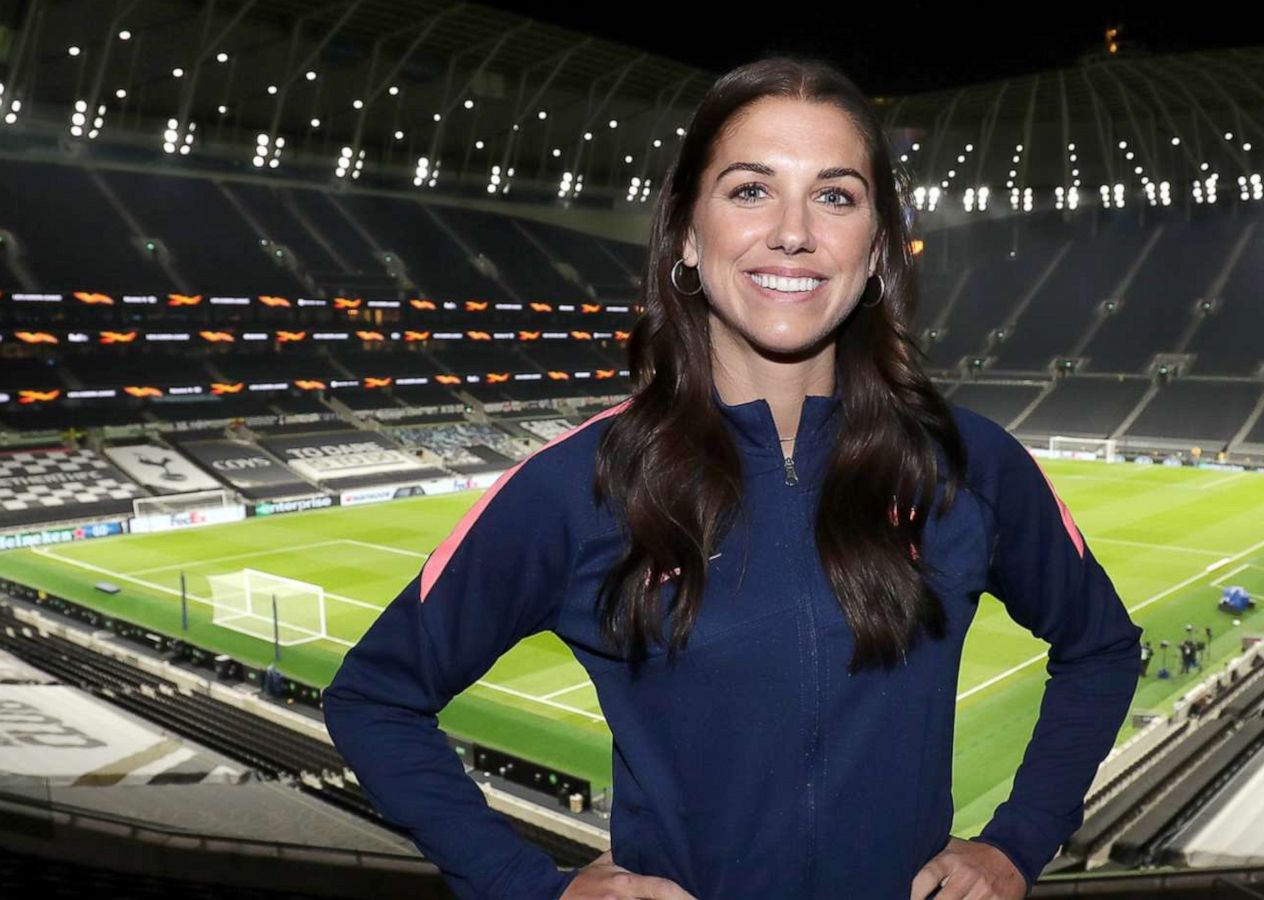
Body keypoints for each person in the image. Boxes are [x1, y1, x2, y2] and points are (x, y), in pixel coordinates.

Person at [319, 55, 1144, 900]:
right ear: (686, 231)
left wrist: (1016, 845)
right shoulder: (578, 487)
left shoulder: (967, 464)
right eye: (751, 189)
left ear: (877, 249)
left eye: (836, 195)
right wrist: (532, 888)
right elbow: (375, 699)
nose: (793, 231)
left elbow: (1103, 647)